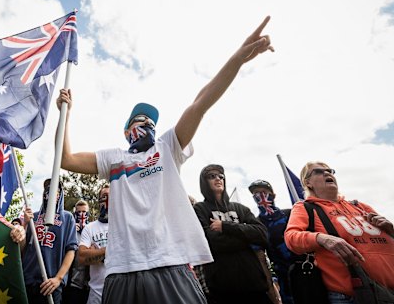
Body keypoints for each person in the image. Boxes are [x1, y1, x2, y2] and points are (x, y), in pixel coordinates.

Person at [56, 16, 274, 304]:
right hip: (122, 269)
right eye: (140, 120)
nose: (147, 125)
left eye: (151, 122)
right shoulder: (113, 158)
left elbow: (201, 102)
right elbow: (66, 158)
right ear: (126, 131)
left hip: (168, 262)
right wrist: (66, 113)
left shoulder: (167, 147)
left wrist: (237, 59)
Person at [285, 161, 394, 304]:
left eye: (330, 170)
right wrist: (322, 239)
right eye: (318, 171)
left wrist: (391, 229)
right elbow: (291, 238)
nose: (327, 173)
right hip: (353, 296)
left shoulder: (361, 206)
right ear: (308, 183)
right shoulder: (305, 208)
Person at [194, 164, 272, 304]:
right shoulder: (199, 209)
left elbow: (262, 235)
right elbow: (211, 242)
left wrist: (225, 226)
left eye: (221, 176)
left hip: (255, 285)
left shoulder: (241, 209)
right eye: (212, 176)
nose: (218, 179)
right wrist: (247, 237)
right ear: (204, 182)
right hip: (222, 290)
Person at [22, 179, 78, 304]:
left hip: (50, 284)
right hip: (28, 280)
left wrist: (58, 278)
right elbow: (22, 248)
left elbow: (71, 250)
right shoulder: (33, 217)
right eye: (47, 188)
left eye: (54, 188)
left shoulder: (67, 218)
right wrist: (25, 224)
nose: (50, 191)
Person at [249, 179, 299, 304]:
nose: (261, 196)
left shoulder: (290, 214)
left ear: (273, 195)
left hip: (306, 269)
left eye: (264, 192)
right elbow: (260, 258)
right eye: (256, 193)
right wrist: (271, 288)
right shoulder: (257, 225)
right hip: (284, 278)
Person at [79, 185, 110, 304]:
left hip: (121, 291)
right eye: (104, 197)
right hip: (96, 295)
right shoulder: (90, 228)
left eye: (111, 197)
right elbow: (82, 257)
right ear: (98, 201)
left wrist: (96, 252)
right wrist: (112, 250)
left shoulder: (125, 226)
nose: (107, 200)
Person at [63, 200, 91, 304]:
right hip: (72, 283)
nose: (82, 215)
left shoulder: (91, 230)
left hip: (89, 283)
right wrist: (71, 232)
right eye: (78, 212)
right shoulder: (70, 231)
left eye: (84, 212)